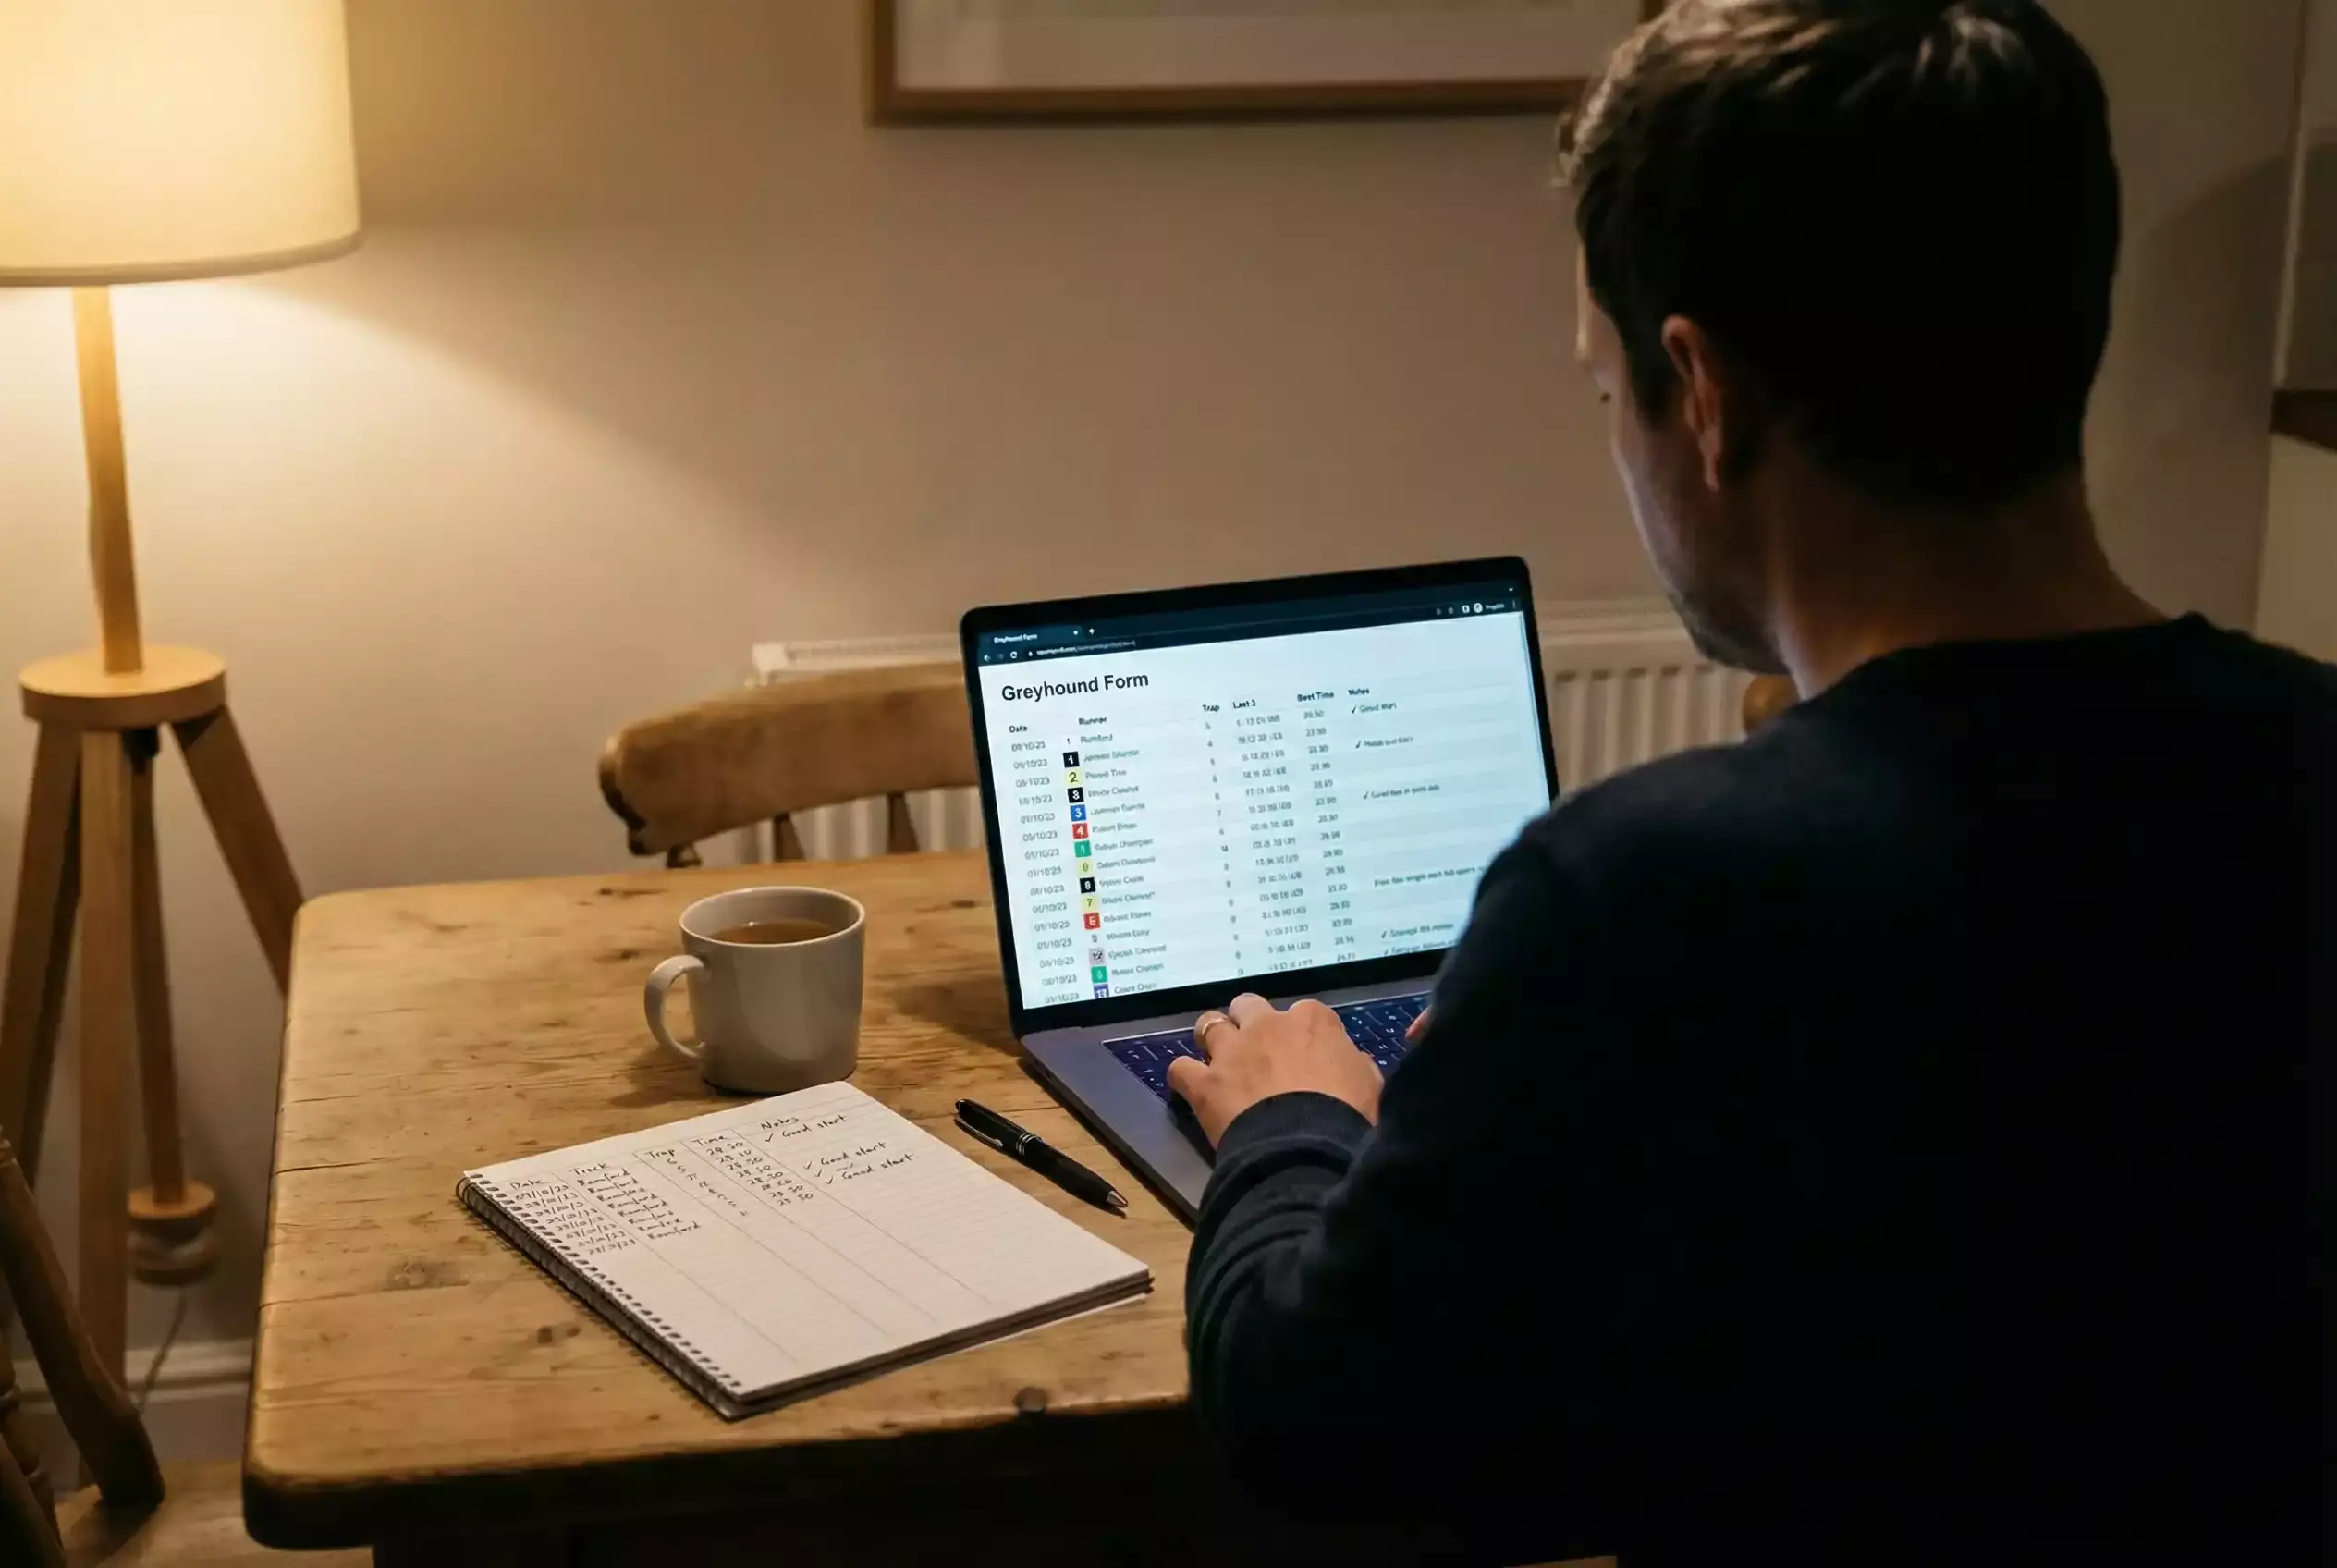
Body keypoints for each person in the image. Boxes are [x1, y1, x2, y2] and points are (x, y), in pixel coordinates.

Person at [1167, 1, 2337, 1562]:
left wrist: (1294, 1124)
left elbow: (1306, 1429)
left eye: (1606, 395)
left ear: (1700, 397)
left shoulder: (1640, 895)